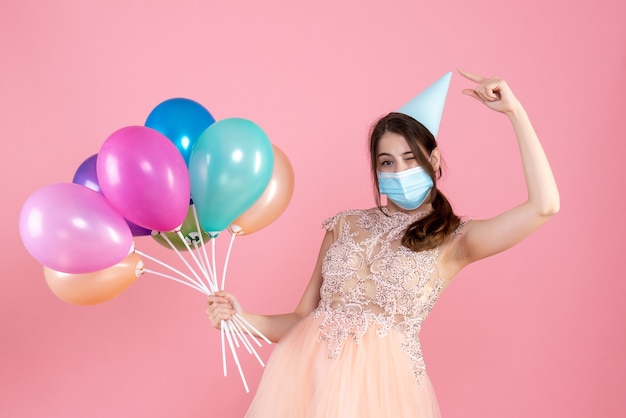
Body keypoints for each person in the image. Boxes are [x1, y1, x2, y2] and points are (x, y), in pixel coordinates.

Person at [206, 68, 559, 417]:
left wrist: (515, 113)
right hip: (308, 389)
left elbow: (544, 206)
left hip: (384, 400)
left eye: (410, 159)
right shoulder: (344, 225)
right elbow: (303, 319)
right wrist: (241, 318)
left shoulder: (455, 240)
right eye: (386, 162)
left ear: (433, 161)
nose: (398, 172)